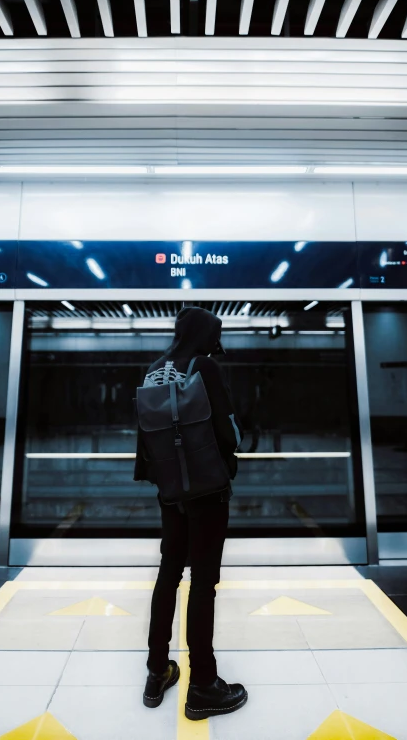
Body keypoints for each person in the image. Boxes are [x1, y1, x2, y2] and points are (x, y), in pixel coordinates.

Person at [134, 306, 248, 720]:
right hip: (208, 492)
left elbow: (145, 438)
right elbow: (229, 435)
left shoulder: (154, 369)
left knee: (168, 574)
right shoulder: (204, 367)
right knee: (203, 582)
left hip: (170, 493)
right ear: (206, 334)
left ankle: (157, 670)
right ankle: (203, 685)